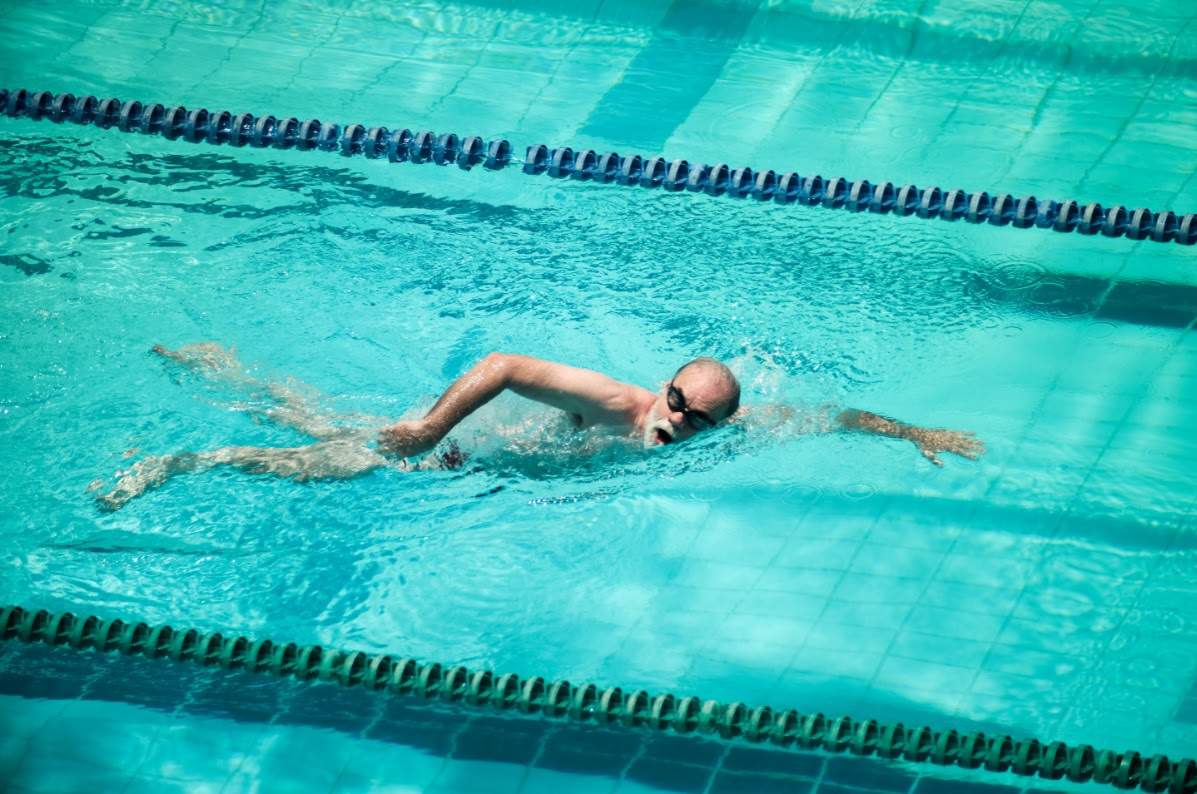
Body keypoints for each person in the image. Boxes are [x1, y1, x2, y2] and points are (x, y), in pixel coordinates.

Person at [93, 343, 985, 510]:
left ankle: (225, 371)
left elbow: (828, 416)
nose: (677, 424)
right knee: (332, 459)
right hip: (456, 450)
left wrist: (916, 434)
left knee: (323, 424)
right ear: (663, 386)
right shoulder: (618, 402)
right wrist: (428, 433)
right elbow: (504, 367)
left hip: (478, 471)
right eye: (676, 402)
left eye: (699, 421)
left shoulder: (725, 429)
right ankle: (186, 460)